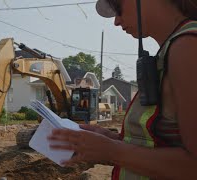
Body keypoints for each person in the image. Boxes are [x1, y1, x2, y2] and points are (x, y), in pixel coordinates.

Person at [48, 0, 197, 179]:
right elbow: (164, 144)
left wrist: (113, 151)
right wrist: (115, 140)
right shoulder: (173, 49)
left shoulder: (188, 47)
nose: (116, 21)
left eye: (118, 8)